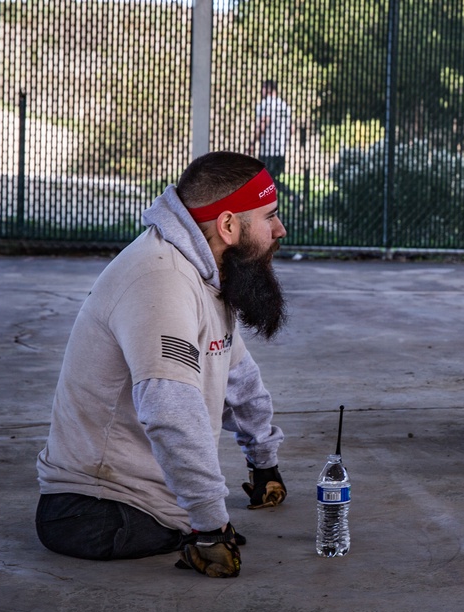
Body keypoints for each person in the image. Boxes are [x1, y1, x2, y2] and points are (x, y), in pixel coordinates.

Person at [36, 151, 290, 578]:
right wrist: (211, 527)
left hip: (147, 501)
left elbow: (237, 373)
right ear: (228, 226)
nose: (280, 229)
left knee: (184, 522)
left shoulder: (204, 274)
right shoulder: (160, 280)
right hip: (94, 510)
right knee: (185, 530)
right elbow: (171, 413)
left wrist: (264, 459)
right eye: (270, 216)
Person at [251, 79, 299, 209]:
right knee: (272, 179)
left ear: (267, 88)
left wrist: (252, 142)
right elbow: (292, 128)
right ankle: (289, 198)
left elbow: (263, 123)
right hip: (281, 150)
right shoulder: (285, 106)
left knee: (266, 180)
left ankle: (288, 197)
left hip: (268, 149)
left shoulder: (265, 105)